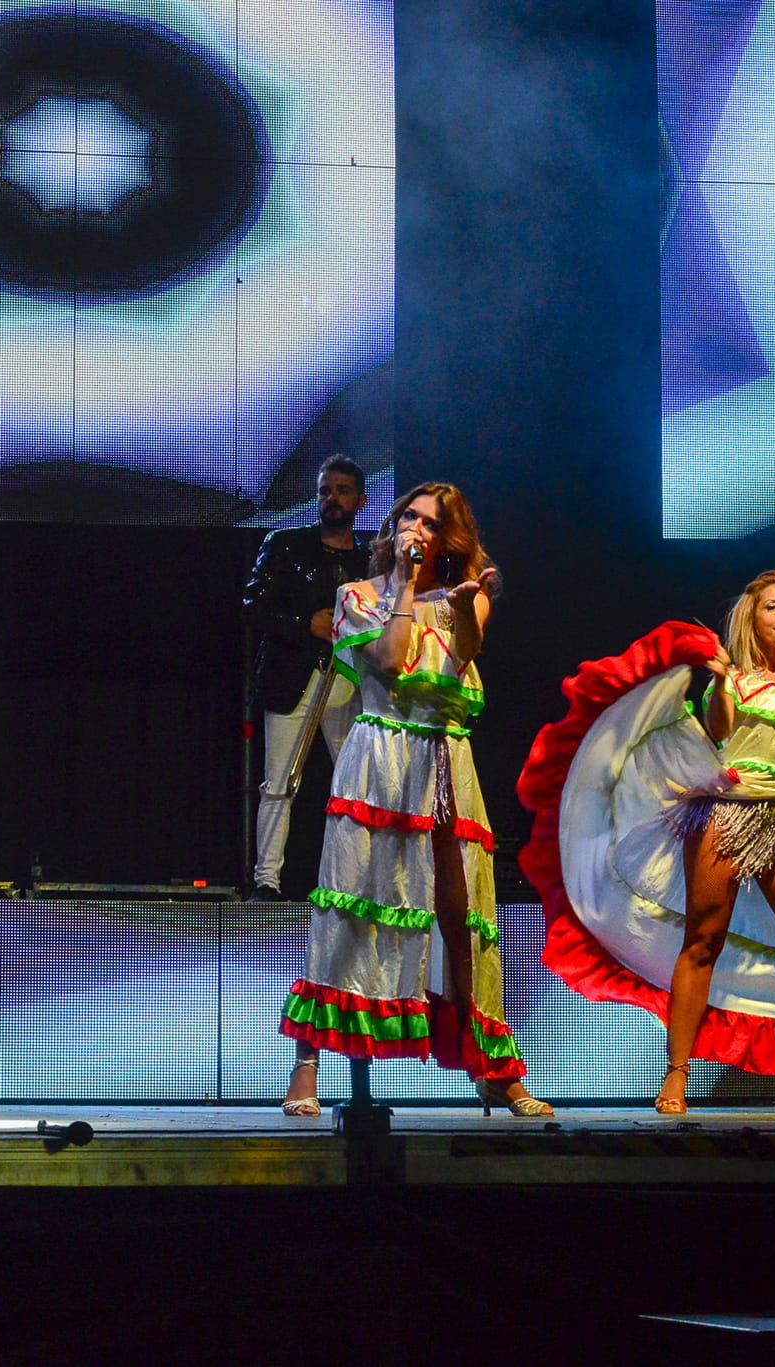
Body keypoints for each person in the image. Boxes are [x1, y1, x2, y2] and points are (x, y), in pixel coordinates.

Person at [515, 572, 775, 1114]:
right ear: (752, 617)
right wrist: (722, 681)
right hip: (724, 814)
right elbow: (720, 733)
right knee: (702, 942)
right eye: (773, 607)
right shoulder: (734, 673)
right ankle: (676, 1076)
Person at [278, 482, 551, 1117]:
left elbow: (465, 653)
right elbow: (390, 660)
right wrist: (402, 582)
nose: (417, 530)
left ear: (448, 538)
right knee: (355, 905)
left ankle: (493, 1070)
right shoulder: (358, 595)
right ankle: (308, 1062)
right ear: (393, 525)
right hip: (379, 764)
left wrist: (463, 606)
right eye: (410, 518)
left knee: (460, 914)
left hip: (446, 761)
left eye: (431, 523)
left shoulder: (466, 596)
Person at [242, 455, 373, 898]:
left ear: (360, 500)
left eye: (341, 491)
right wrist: (306, 624)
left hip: (348, 681)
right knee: (278, 783)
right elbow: (254, 607)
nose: (331, 498)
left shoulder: (371, 560)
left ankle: (355, 883)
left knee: (357, 786)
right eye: (324, 491)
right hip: (292, 676)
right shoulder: (285, 545)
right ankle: (267, 880)